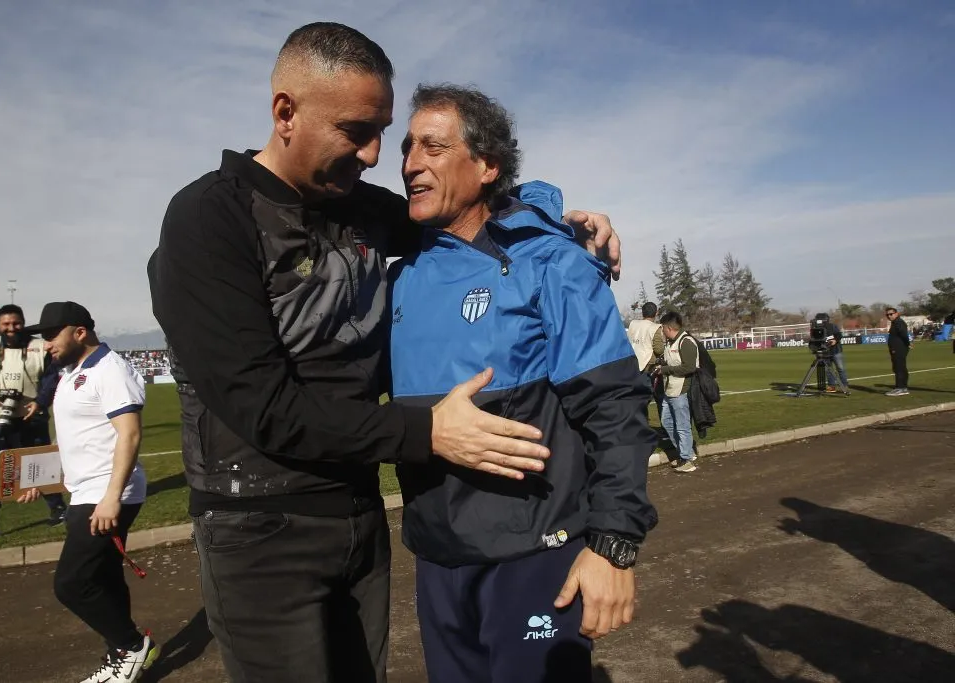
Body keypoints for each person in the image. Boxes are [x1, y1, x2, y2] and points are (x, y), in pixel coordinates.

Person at [146, 22, 622, 683]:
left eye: (384, 133)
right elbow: (266, 407)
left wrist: (557, 218)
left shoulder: (353, 204)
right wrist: (429, 431)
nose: (377, 157)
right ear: (285, 112)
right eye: (357, 130)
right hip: (258, 531)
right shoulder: (209, 218)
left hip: (359, 520)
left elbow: (469, 208)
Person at [388, 84, 657, 682]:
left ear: (487, 167)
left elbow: (614, 406)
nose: (410, 163)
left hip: (537, 555)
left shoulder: (551, 263)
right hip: (437, 559)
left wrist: (613, 544)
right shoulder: (399, 277)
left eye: (433, 146)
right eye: (407, 147)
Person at [18, 301, 159, 683]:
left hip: (106, 492)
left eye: (51, 335)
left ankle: (131, 647)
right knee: (104, 577)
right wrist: (39, 477)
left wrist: (112, 497)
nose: (45, 344)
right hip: (85, 491)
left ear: (79, 332)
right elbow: (73, 440)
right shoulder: (70, 373)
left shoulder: (110, 369)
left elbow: (129, 433)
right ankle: (123, 655)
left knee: (72, 583)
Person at [0, 303, 67, 547]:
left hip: (30, 418)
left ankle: (59, 510)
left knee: (41, 468)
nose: (11, 329)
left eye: (16, 323)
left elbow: (52, 379)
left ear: (23, 322)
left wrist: (40, 402)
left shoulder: (39, 347)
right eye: (6, 325)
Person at [655, 311, 699, 473]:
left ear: (668, 327)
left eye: (662, 329)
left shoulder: (686, 342)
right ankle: (685, 452)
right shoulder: (670, 343)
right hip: (669, 389)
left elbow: (689, 367)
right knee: (666, 421)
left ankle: (687, 459)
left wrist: (665, 369)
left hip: (681, 390)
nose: (661, 332)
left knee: (682, 425)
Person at [809, 313, 849, 393]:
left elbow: (839, 335)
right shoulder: (814, 329)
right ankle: (831, 386)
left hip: (835, 351)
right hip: (824, 352)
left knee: (840, 368)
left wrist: (835, 340)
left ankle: (844, 385)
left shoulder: (832, 326)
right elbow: (813, 340)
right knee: (828, 370)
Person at [628, 302, 665, 374]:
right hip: (648, 367)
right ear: (656, 313)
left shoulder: (633, 324)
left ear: (642, 313)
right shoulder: (655, 328)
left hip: (632, 364)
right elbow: (659, 350)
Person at [885, 306, 911, 396]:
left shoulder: (898, 322)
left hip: (898, 348)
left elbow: (903, 334)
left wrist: (908, 343)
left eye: (891, 314)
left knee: (899, 368)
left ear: (896, 314)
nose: (889, 316)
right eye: (887, 315)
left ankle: (900, 388)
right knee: (900, 367)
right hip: (897, 348)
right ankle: (903, 387)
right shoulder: (895, 322)